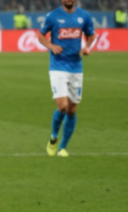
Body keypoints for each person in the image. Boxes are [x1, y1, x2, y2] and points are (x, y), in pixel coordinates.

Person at [38, 0, 95, 157]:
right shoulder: (53, 16)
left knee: (72, 110)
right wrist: (51, 46)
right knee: (62, 106)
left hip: (76, 67)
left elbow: (92, 35)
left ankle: (62, 148)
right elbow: (40, 35)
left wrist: (87, 47)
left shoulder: (84, 16)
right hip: (58, 66)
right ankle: (53, 138)